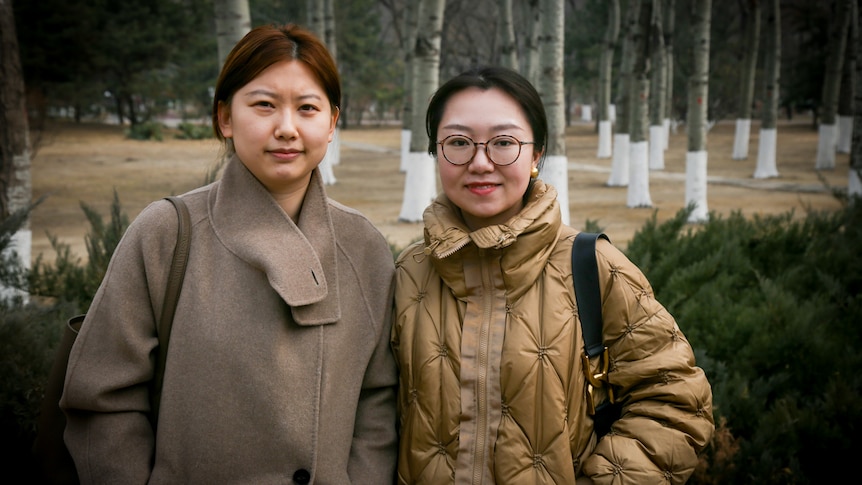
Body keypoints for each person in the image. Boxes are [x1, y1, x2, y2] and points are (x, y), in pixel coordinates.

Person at [60, 24, 398, 483]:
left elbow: (378, 401)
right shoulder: (166, 233)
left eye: (307, 108)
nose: (286, 128)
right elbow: (103, 397)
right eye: (264, 105)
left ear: (332, 122)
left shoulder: (363, 247)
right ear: (224, 117)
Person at [390, 66, 715, 484]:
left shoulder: (592, 266)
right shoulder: (409, 273)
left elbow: (676, 401)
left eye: (504, 142)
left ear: (536, 155)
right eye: (458, 143)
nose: (481, 162)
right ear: (436, 153)